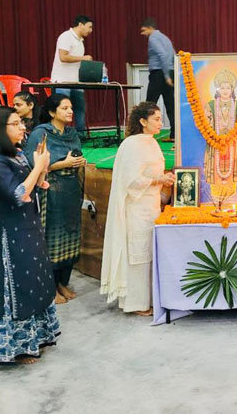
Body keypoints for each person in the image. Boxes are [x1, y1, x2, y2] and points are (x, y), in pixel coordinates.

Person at [0, 107, 59, 364]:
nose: (22, 127)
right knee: (16, 285)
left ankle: (37, 337)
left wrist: (42, 169)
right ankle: (16, 348)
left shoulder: (15, 154)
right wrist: (38, 166)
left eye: (21, 122)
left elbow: (35, 186)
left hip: (28, 225)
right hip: (9, 231)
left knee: (35, 279)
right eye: (15, 124)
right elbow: (17, 194)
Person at [101, 102, 174, 315]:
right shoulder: (132, 145)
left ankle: (149, 299)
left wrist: (164, 180)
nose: (160, 123)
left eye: (161, 119)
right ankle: (134, 303)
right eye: (156, 119)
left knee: (148, 253)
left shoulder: (152, 142)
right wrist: (159, 179)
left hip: (151, 204)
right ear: (143, 121)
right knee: (137, 255)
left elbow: (151, 173)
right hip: (136, 207)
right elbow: (131, 180)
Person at [25, 94, 86, 305]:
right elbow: (32, 164)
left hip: (71, 191)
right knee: (51, 239)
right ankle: (50, 288)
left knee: (71, 237)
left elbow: (75, 156)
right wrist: (64, 164)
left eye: (71, 108)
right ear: (52, 112)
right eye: (65, 108)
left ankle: (62, 283)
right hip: (50, 192)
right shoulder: (41, 134)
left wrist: (77, 162)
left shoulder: (71, 134)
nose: (70, 112)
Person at [204, 68, 237, 200]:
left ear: (232, 89)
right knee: (215, 175)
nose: (225, 91)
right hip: (215, 146)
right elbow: (205, 125)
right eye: (222, 87)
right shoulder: (210, 105)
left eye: (228, 88)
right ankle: (215, 200)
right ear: (217, 89)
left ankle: (231, 201)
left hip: (233, 146)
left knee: (231, 175)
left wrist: (231, 137)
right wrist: (216, 138)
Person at [50, 14, 94, 136]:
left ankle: (80, 135)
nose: (90, 30)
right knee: (61, 110)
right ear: (80, 25)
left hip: (76, 81)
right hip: (62, 81)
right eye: (89, 27)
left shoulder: (80, 41)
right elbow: (63, 57)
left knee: (80, 108)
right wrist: (83, 58)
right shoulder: (66, 37)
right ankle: (59, 134)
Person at [140, 18, 176, 140]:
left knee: (149, 104)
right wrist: (171, 74)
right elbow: (173, 55)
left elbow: (163, 55)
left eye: (144, 30)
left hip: (158, 74)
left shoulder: (153, 38)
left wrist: (166, 75)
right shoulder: (165, 38)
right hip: (169, 72)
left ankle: (144, 132)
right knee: (171, 105)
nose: (142, 34)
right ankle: (174, 135)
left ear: (150, 28)